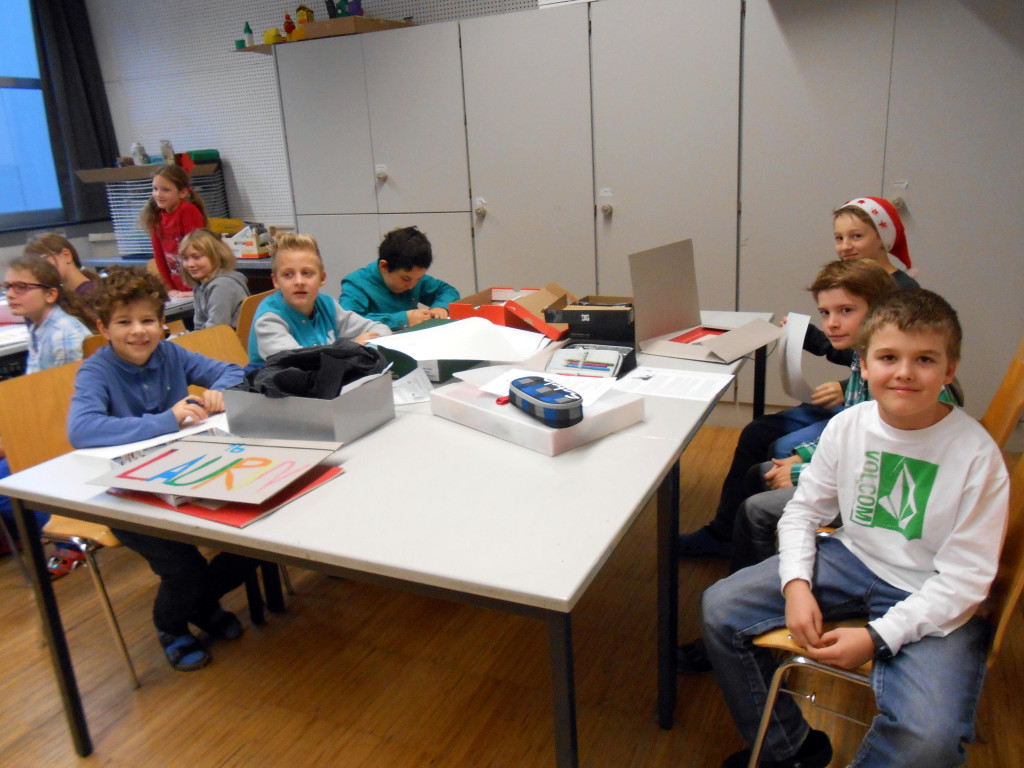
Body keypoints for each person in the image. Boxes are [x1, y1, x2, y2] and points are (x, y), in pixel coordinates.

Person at [701, 289, 1009, 768]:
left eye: (925, 359)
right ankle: (791, 749)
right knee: (721, 607)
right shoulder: (849, 425)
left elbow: (966, 581)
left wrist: (877, 637)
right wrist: (796, 585)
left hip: (933, 590)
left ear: (949, 371)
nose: (904, 372)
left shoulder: (976, 456)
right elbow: (803, 511)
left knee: (928, 741)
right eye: (888, 357)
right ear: (863, 365)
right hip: (853, 558)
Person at [67, 267, 254, 672]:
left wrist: (219, 391)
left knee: (255, 540)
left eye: (148, 320)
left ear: (162, 323)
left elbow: (232, 371)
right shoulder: (96, 371)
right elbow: (82, 429)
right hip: (126, 496)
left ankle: (200, 605)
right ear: (103, 328)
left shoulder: (171, 354)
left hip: (186, 475)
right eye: (124, 322)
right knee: (183, 567)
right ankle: (171, 625)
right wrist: (166, 420)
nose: (139, 331)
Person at [679, 258, 899, 560]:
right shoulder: (862, 356)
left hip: (869, 488)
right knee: (759, 448)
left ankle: (774, 561)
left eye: (846, 311)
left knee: (763, 486)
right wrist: (805, 456)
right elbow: (850, 432)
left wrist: (801, 471)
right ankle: (732, 540)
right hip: (851, 464)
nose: (832, 323)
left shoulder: (889, 375)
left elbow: (876, 460)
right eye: (825, 313)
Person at [0, 256, 93, 574]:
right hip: (44, 427)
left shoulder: (64, 334)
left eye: (21, 287)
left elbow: (65, 407)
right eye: (8, 287)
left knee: (5, 483)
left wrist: (13, 443)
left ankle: (70, 538)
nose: (11, 294)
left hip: (64, 435)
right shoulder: (41, 327)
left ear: (50, 293)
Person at [249, 233, 390, 365]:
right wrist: (353, 348)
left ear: (322, 278)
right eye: (287, 274)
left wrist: (357, 348)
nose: (299, 282)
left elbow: (380, 330)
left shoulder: (327, 306)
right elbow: (301, 364)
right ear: (276, 281)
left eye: (307, 273)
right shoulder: (269, 320)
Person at [340, 226, 460, 331]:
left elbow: (448, 291)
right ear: (384, 266)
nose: (411, 285)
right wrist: (403, 319)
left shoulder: (412, 277)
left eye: (418, 278)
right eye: (405, 279)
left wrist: (441, 307)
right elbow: (348, 323)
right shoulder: (356, 284)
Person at [137, 165, 207, 296]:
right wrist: (169, 288)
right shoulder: (155, 217)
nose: (158, 194)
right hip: (178, 288)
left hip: (197, 287)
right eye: (155, 188)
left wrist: (197, 289)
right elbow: (160, 257)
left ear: (183, 193)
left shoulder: (187, 211)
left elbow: (199, 252)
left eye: (166, 190)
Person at [178, 229, 250, 329]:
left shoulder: (222, 286)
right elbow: (199, 326)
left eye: (197, 257)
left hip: (227, 338)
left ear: (216, 256)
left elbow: (216, 329)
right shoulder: (200, 285)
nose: (190, 264)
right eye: (185, 258)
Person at [23, 233, 100, 297]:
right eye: (34, 264)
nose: (39, 268)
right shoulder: (65, 296)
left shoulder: (92, 293)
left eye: (43, 259)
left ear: (66, 255)